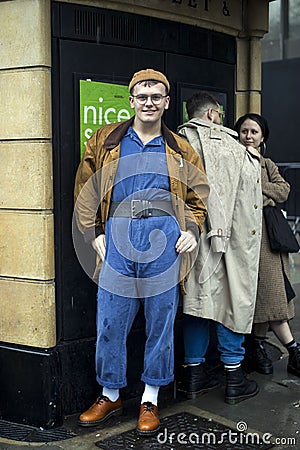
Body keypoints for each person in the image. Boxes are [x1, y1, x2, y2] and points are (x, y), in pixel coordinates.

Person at [73, 69, 209, 435]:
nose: (149, 102)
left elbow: (198, 195)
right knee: (110, 320)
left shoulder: (181, 148)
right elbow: (85, 187)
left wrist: (193, 229)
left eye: (156, 96)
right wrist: (91, 233)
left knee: (161, 320)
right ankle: (110, 393)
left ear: (166, 103)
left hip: (164, 236)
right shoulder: (106, 140)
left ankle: (150, 397)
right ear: (131, 101)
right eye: (142, 96)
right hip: (118, 234)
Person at [177, 92, 262, 404]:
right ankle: (234, 380)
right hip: (234, 245)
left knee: (197, 305)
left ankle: (193, 378)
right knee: (231, 304)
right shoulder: (236, 149)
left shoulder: (174, 143)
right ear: (213, 114)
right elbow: (250, 206)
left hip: (189, 241)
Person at [234, 113, 300, 377]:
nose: (248, 136)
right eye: (244, 131)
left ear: (263, 138)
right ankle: (292, 351)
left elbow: (283, 190)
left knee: (271, 296)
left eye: (254, 132)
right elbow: (240, 195)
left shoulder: (267, 163)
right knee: (269, 298)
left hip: (271, 239)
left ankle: (259, 348)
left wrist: (262, 194)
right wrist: (264, 194)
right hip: (248, 239)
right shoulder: (234, 160)